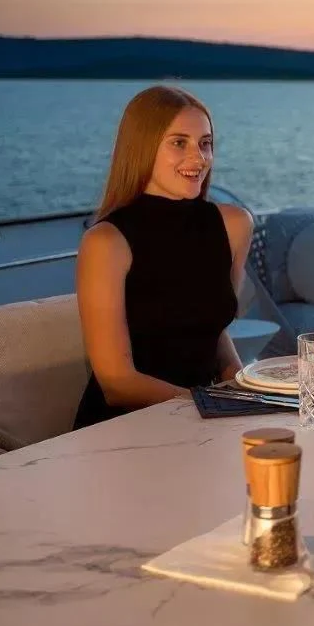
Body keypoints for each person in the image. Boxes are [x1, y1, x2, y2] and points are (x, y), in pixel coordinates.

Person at [74, 85, 253, 429]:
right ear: (141, 148)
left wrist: (244, 385)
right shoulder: (106, 242)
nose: (198, 158)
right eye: (179, 142)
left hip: (203, 421)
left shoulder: (234, 225)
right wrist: (210, 403)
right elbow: (116, 384)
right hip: (122, 430)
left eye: (205, 143)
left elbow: (212, 329)